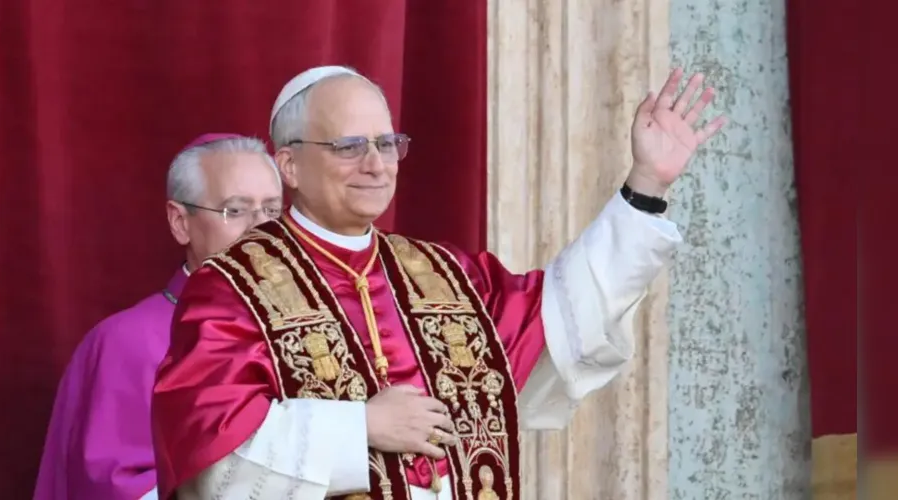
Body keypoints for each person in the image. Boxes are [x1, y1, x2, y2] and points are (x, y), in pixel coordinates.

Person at [151, 66, 727, 500]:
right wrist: (360, 427)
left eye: (387, 143)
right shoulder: (233, 285)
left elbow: (565, 316)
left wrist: (644, 186)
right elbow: (213, 458)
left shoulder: (444, 275)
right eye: (350, 146)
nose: (376, 164)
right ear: (291, 165)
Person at [33, 134, 284, 500]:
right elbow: (115, 491)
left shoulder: (308, 331)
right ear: (180, 221)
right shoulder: (126, 343)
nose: (261, 230)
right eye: (235, 210)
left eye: (272, 211)